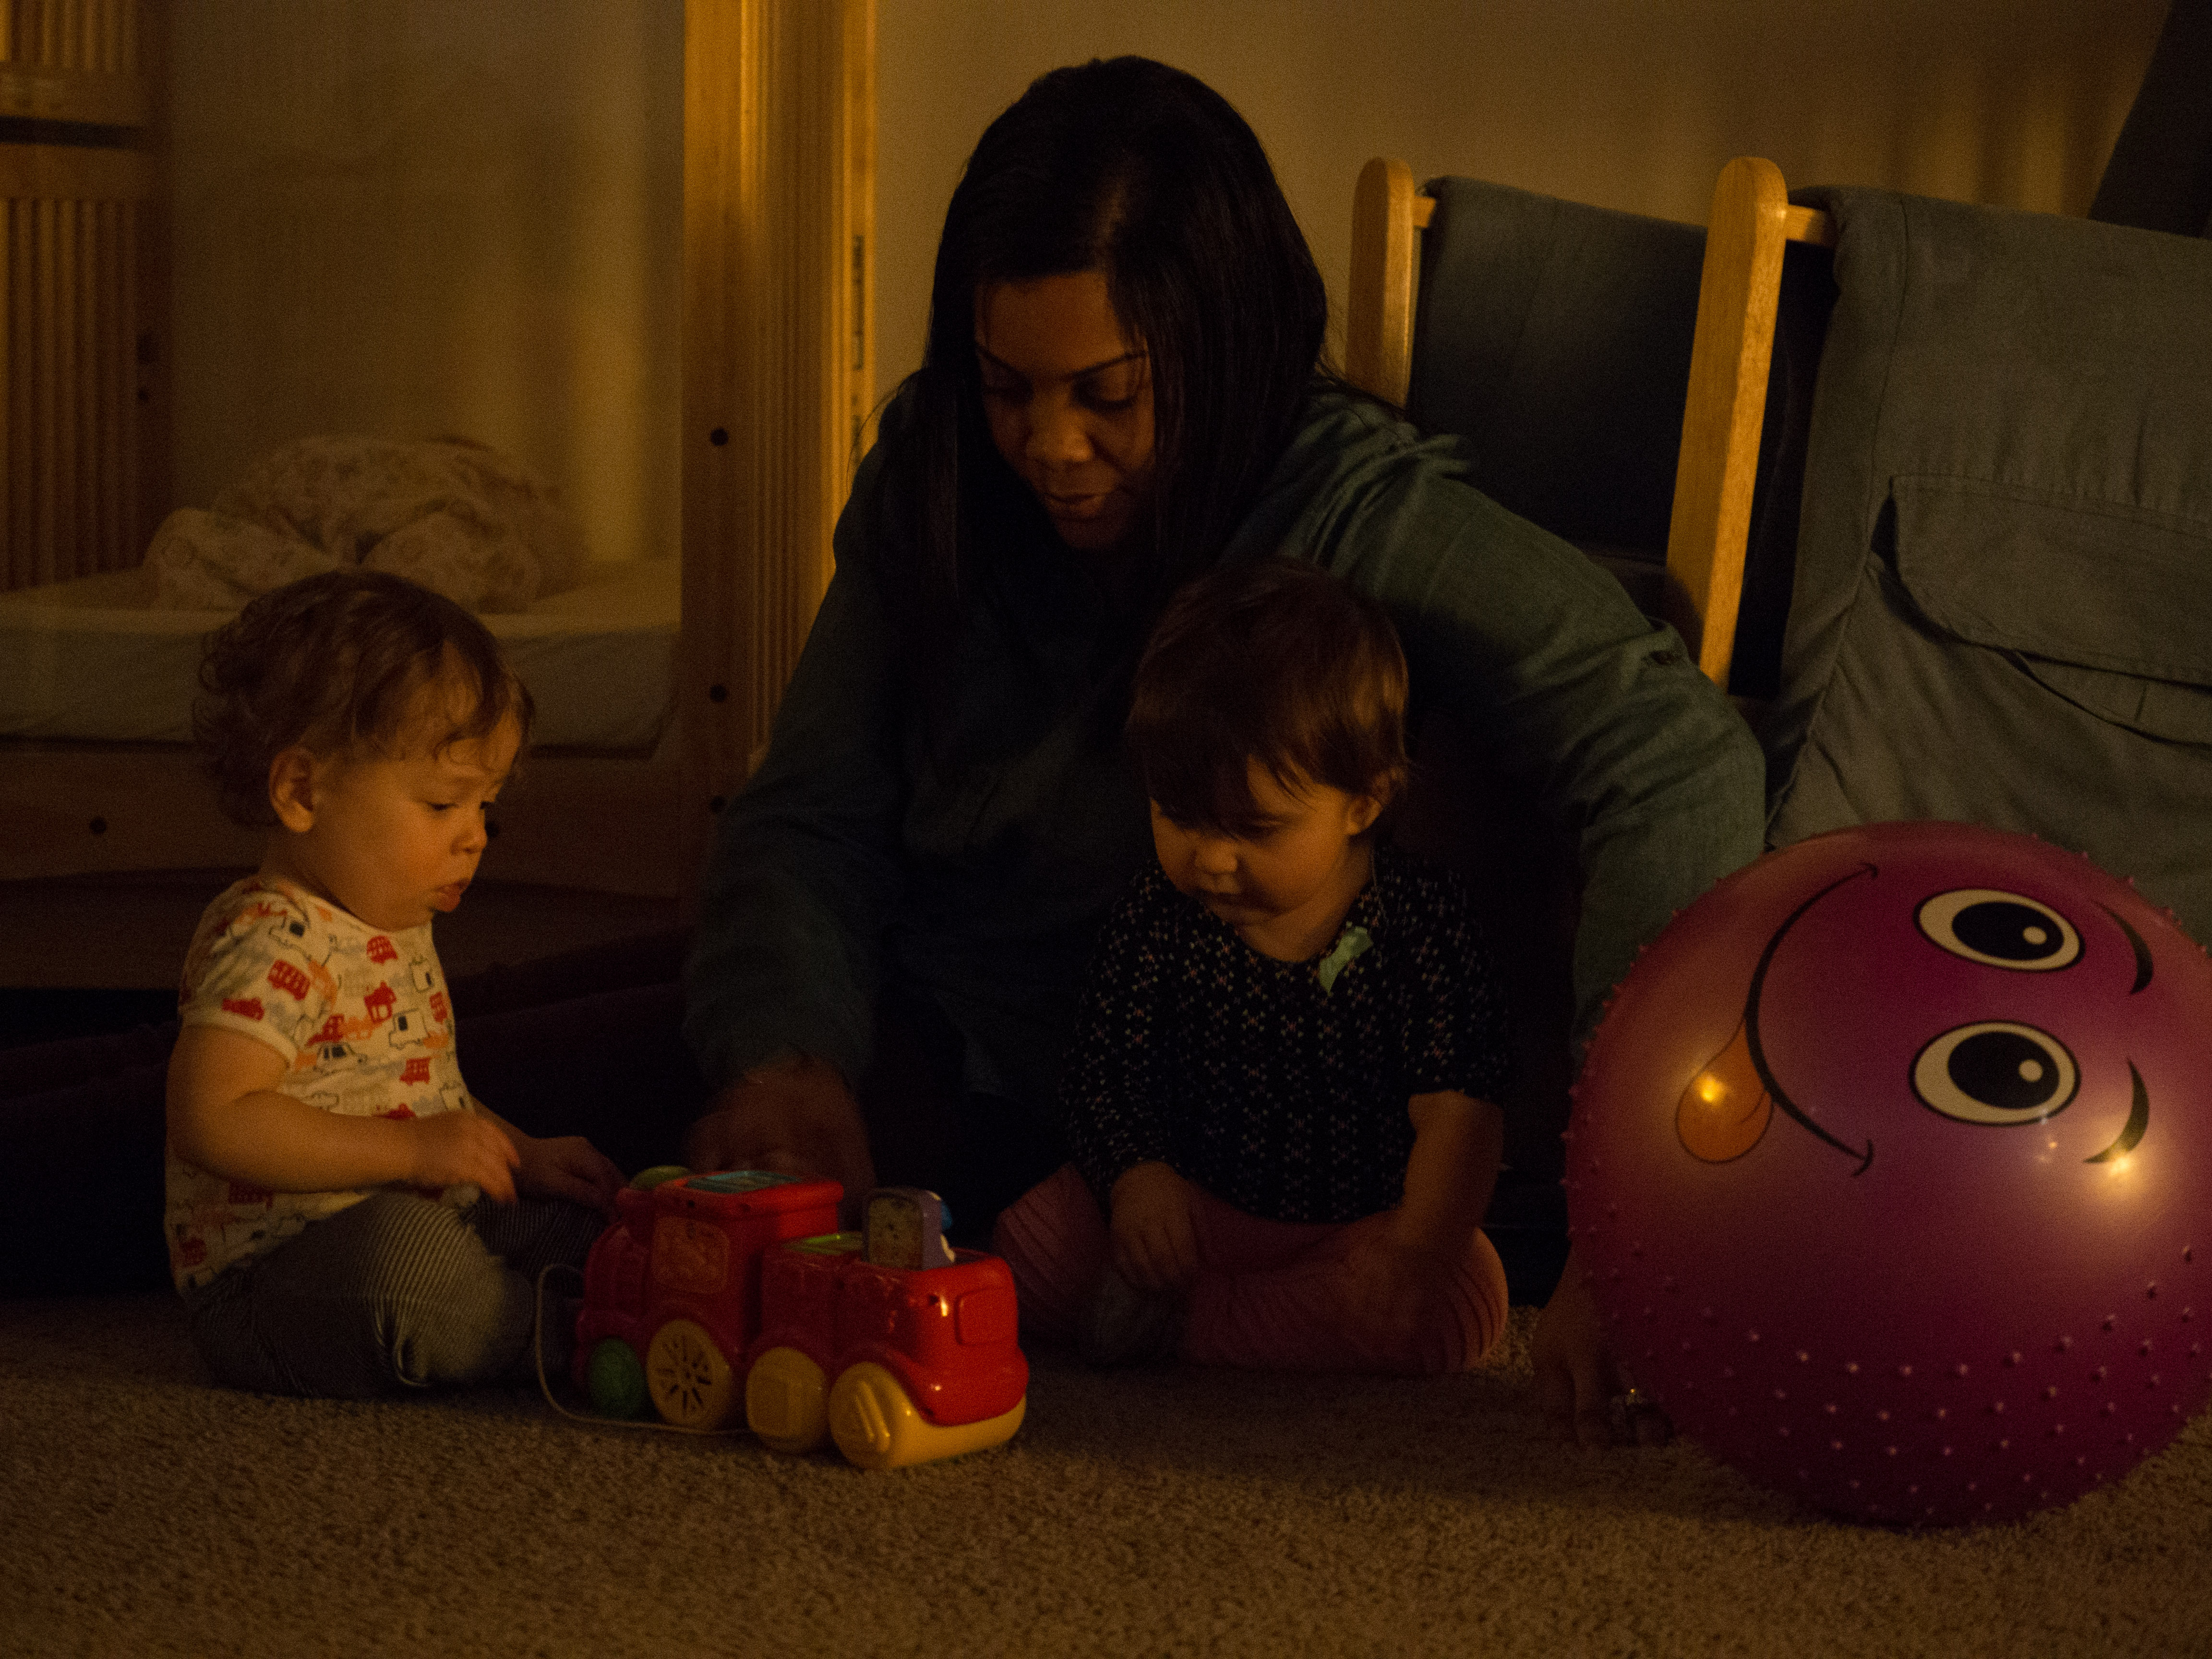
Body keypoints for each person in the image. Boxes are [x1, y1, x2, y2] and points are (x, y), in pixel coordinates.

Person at [679, 57, 1764, 1444]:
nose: (1051, 446)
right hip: (933, 1026)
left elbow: (1671, 749)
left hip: (1206, 1121)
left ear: (1221, 349)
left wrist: (1632, 1186)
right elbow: (810, 809)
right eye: (1008, 387)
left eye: (1108, 395)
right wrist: (783, 1052)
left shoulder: (1341, 503)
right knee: (571, 1096)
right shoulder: (941, 469)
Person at [992, 559, 1512, 1373]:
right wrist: (1137, 1178)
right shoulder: (1160, 912)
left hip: (1353, 1230)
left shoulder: (1417, 923)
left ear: (1364, 802)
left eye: (1254, 829)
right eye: (1179, 816)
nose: (1211, 860)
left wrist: (1416, 1249)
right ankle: (1209, 1314)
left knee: (1463, 1303)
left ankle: (1195, 1328)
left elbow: (1461, 1114)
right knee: (1028, 1247)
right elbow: (1105, 1071)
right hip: (1190, 1212)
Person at [162, 569, 625, 1398]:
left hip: (418, 1210)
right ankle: (575, 1332)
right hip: (281, 1273)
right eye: (444, 805)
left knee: (577, 1225)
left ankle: (615, 1293)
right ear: (303, 791)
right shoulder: (268, 936)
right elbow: (213, 1118)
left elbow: (416, 1091)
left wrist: (518, 1152)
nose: (475, 838)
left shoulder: (394, 923)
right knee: (412, 1276)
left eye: (485, 808)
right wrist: (414, 1151)